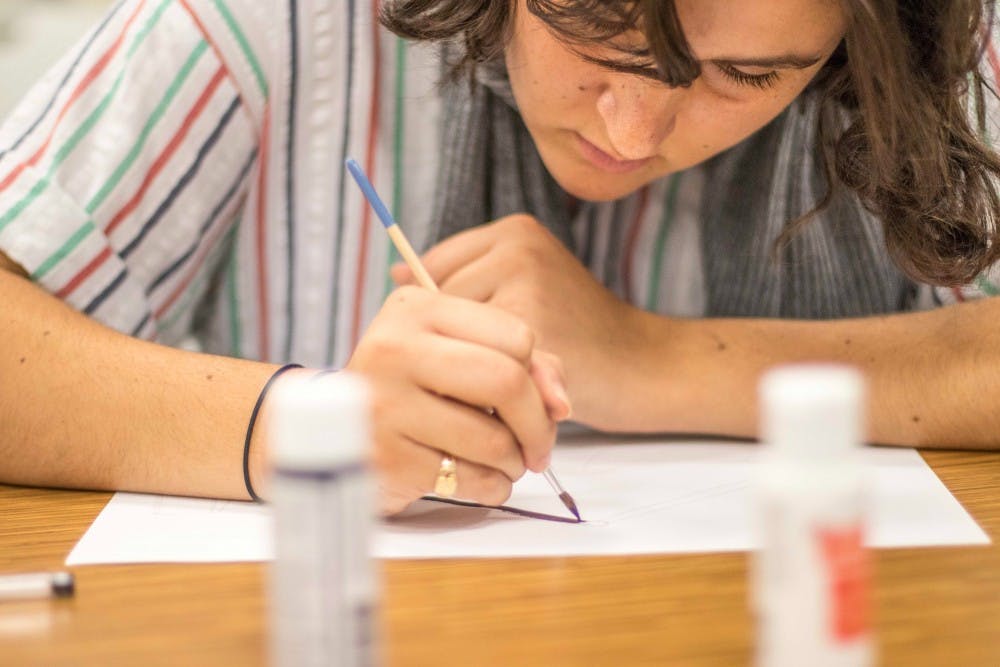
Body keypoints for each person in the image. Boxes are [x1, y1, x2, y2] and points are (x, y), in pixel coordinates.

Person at [0, 0, 997, 515]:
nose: (635, 128)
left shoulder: (941, 43)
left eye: (747, 74)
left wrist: (654, 361)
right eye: (595, 26)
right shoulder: (280, 23)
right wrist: (303, 422)